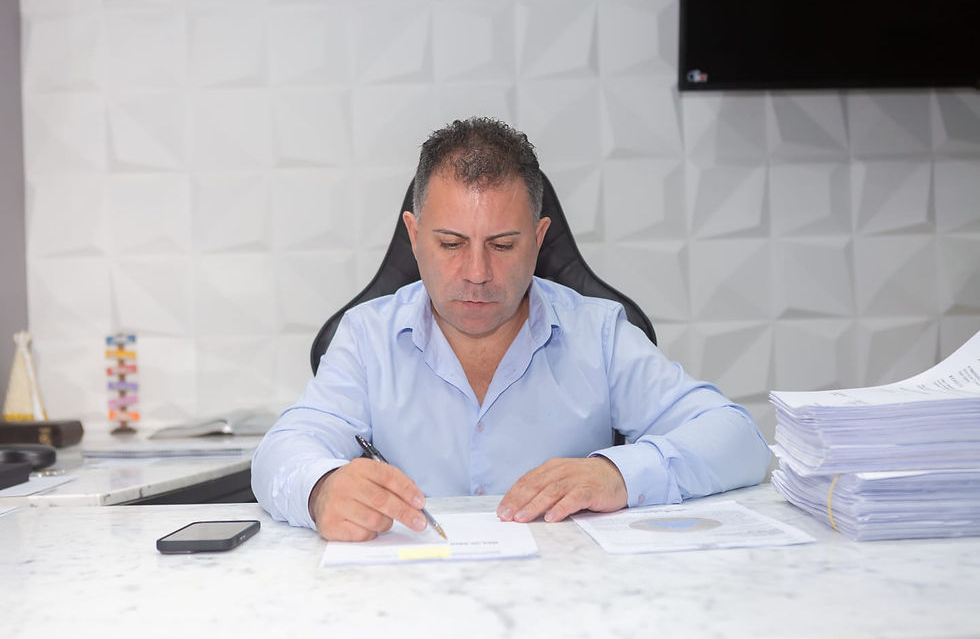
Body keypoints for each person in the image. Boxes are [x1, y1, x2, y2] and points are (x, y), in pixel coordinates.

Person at [252, 117, 770, 541]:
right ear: (414, 235)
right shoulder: (367, 337)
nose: (477, 273)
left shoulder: (599, 333)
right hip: (411, 597)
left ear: (539, 240)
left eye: (502, 245)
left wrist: (617, 474)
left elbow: (739, 439)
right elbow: (280, 451)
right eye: (451, 244)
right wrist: (321, 489)